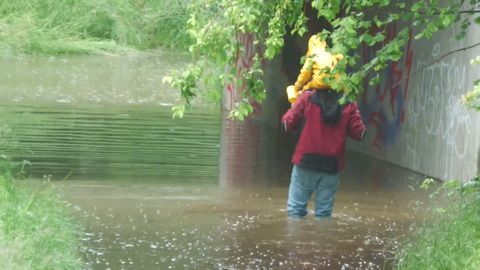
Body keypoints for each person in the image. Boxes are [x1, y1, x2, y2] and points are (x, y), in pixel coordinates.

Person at [281, 89, 366, 218]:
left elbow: (287, 124)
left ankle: (294, 237)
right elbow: (359, 134)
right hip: (332, 165)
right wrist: (354, 108)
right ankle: (323, 237)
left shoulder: (307, 98)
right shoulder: (348, 102)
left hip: (306, 161)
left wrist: (294, 105)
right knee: (324, 214)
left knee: (295, 211)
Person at [286, 34, 344, 104]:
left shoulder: (313, 56)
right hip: (335, 83)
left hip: (320, 82)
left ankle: (297, 99)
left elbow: (305, 73)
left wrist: (297, 87)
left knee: (306, 88)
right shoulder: (330, 54)